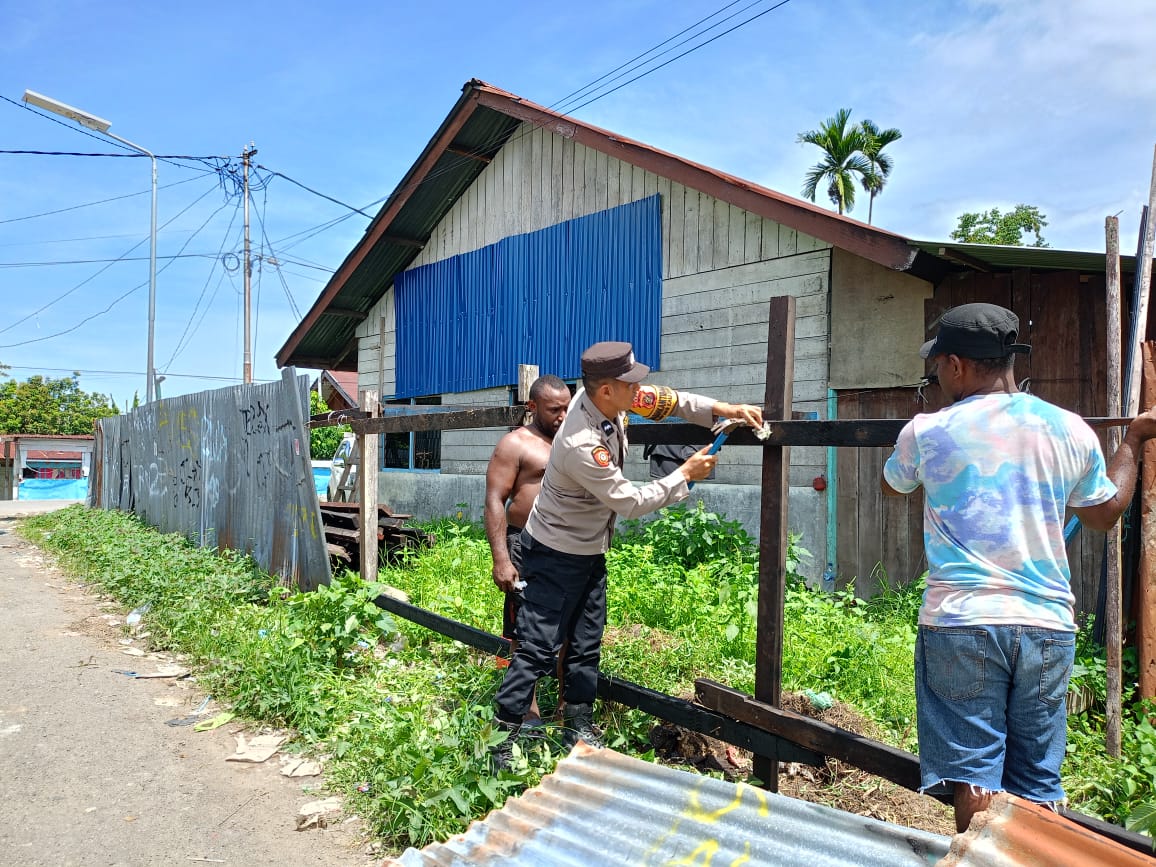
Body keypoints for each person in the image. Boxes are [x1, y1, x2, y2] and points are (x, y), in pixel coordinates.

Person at [881, 302, 1156, 833]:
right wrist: (1135, 440)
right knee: (1036, 780)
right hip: (1047, 626)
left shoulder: (927, 430)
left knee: (975, 776)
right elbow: (1104, 514)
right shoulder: (1071, 430)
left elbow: (895, 483)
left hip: (962, 622)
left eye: (937, 365)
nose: (935, 377)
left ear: (957, 365)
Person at [490, 341, 762, 769]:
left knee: (584, 644)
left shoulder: (613, 400)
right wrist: (685, 474)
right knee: (538, 649)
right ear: (605, 391)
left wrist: (725, 409)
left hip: (589, 550)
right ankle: (500, 741)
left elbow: (672, 401)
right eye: (631, 385)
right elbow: (629, 502)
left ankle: (576, 726)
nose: (640, 392)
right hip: (553, 555)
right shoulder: (582, 441)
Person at [483, 374, 571, 725]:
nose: (562, 416)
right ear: (532, 407)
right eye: (554, 410)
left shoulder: (574, 443)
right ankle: (527, 707)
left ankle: (567, 705)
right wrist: (501, 558)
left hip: (569, 547)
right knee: (525, 627)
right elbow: (495, 500)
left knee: (571, 627)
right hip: (525, 544)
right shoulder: (515, 444)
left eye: (567, 408)